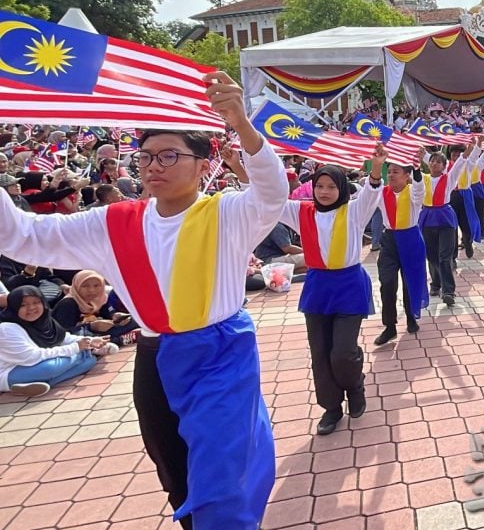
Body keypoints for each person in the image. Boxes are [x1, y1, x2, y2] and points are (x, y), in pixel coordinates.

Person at [0, 73, 287, 529]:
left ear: (201, 164)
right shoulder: (111, 222)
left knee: (223, 473)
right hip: (155, 356)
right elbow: (21, 235)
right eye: (147, 156)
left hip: (220, 354)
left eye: (170, 155)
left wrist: (241, 123)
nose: (154, 166)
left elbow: (273, 192)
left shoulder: (227, 213)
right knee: (173, 467)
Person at [278, 146, 385, 435]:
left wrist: (376, 167)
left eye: (330, 186)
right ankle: (332, 407)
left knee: (342, 352)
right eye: (319, 186)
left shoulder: (352, 211)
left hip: (349, 285)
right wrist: (242, 166)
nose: (324, 192)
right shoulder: (300, 211)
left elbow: (371, 193)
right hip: (318, 288)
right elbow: (268, 199)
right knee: (320, 353)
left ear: (341, 188)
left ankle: (355, 386)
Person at [0, 285, 117, 396]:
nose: (31, 308)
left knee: (89, 362)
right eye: (23, 305)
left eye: (36, 302)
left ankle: (35, 386)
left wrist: (90, 341)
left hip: (35, 365)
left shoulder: (44, 320)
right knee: (49, 368)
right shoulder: (7, 328)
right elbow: (32, 357)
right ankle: (87, 353)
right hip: (10, 372)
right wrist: (76, 348)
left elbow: (64, 338)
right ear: (14, 307)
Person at [373, 162, 429, 345]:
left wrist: (418, 170)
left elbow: (420, 190)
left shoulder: (413, 192)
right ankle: (390, 326)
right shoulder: (382, 192)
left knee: (410, 281)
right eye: (389, 172)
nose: (390, 175)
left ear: (407, 176)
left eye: (395, 172)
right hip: (389, 241)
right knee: (387, 282)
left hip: (410, 239)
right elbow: (366, 192)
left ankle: (411, 315)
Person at [420, 140, 476, 306]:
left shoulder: (450, 178)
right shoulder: (422, 179)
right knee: (431, 255)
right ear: (428, 164)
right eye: (432, 161)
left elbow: (460, 163)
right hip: (427, 217)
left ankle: (448, 291)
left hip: (444, 217)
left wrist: (471, 148)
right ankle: (435, 283)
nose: (435, 163)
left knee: (445, 256)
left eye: (439, 162)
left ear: (445, 166)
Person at [52, 270, 138, 346]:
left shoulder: (100, 298)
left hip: (98, 332)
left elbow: (107, 314)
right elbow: (64, 333)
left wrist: (115, 316)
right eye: (85, 286)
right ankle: (116, 340)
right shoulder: (68, 304)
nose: (91, 290)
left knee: (133, 320)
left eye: (96, 286)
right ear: (76, 286)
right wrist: (91, 326)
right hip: (79, 337)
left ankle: (112, 341)